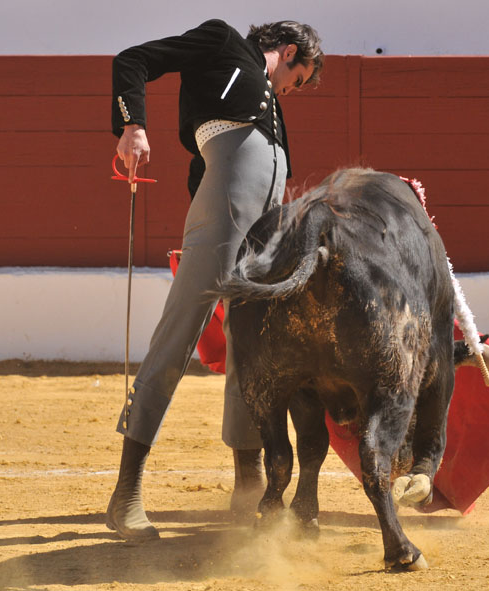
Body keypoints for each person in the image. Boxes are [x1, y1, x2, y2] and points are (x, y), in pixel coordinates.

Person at [108, 19, 324, 541]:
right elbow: (133, 59)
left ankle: (248, 486)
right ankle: (125, 495)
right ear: (288, 51)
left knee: (252, 345)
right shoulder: (222, 40)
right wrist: (132, 126)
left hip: (266, 223)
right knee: (180, 330)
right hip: (229, 208)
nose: (289, 91)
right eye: (296, 79)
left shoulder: (270, 106)